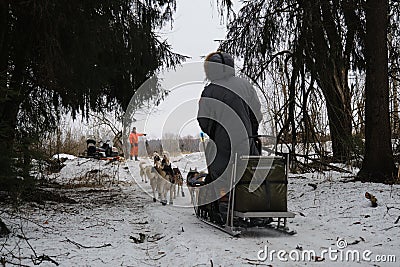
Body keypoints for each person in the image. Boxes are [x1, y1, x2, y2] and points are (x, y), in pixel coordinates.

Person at [197, 51, 262, 224]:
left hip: (223, 143)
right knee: (249, 170)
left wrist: (216, 134)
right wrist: (251, 132)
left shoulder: (209, 91)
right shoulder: (245, 86)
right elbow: (256, 114)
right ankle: (254, 205)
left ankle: (224, 207)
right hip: (247, 141)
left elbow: (204, 120)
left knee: (220, 171)